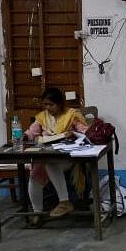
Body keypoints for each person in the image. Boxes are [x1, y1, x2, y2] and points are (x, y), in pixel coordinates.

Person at [24, 87, 89, 226]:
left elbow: (85, 132)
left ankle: (64, 202)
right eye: (45, 104)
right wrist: (24, 136)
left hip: (67, 158)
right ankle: (37, 213)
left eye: (51, 104)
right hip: (47, 156)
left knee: (50, 162)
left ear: (60, 104)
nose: (47, 108)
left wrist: (73, 134)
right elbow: (31, 132)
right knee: (35, 175)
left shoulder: (71, 115)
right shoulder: (42, 117)